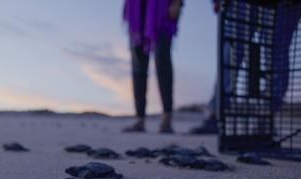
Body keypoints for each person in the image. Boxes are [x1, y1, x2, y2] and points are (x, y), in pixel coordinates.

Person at [189, 0, 301, 134]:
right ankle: (216, 114)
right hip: (241, 3)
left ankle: (265, 118)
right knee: (232, 49)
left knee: (277, 53)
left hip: (283, 5)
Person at [122, 0, 183, 133]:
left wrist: (177, 2)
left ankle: (167, 118)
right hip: (137, 10)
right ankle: (140, 119)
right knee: (138, 66)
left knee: (162, 61)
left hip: (161, 8)